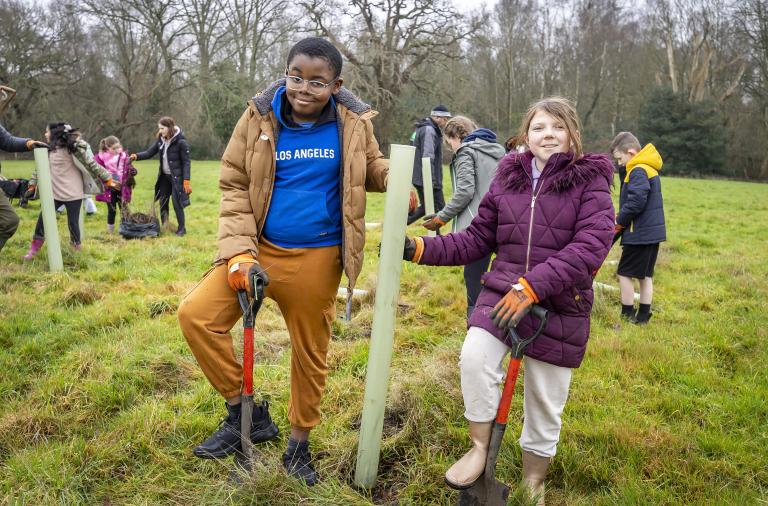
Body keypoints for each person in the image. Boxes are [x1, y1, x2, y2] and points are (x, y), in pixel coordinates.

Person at [177, 37, 399, 486]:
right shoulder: (257, 116)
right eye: (295, 77)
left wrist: (394, 177)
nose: (303, 88)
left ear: (335, 85)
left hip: (317, 256)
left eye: (317, 82)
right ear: (285, 73)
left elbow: (371, 166)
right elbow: (235, 182)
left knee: (309, 353)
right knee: (196, 316)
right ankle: (246, 412)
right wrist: (239, 253)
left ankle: (299, 445)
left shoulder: (353, 122)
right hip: (256, 251)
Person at [403, 97, 615, 504]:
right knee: (475, 358)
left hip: (561, 303)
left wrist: (533, 287)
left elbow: (591, 247)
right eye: (539, 127)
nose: (547, 134)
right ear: (526, 134)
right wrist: (419, 249)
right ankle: (480, 448)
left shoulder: (590, 180)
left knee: (545, 400)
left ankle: (533, 480)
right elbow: (478, 237)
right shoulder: (509, 175)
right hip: (502, 293)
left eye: (557, 127)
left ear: (572, 134)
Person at [422, 116, 505, 318]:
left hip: (478, 227)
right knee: (501, 274)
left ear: (456, 136)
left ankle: (477, 323)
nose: (451, 147)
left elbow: (465, 192)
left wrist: (441, 218)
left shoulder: (465, 152)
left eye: (449, 142)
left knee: (473, 276)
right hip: (503, 222)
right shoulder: (498, 151)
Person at [23, 123, 116, 260]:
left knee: (73, 223)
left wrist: (107, 179)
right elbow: (39, 169)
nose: (45, 135)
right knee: (42, 220)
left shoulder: (75, 149)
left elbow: (92, 164)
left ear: (55, 134)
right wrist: (32, 185)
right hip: (53, 193)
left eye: (47, 132)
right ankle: (34, 249)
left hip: (73, 193)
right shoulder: (47, 150)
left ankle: (76, 250)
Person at [610, 132, 666, 324]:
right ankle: (643, 317)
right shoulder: (647, 168)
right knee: (645, 276)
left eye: (619, 159)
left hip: (639, 233)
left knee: (624, 273)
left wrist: (619, 220)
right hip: (651, 233)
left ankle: (627, 315)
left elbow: (635, 202)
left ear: (631, 152)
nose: (619, 164)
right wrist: (625, 169)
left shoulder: (639, 170)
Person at [130, 116, 191, 236]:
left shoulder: (181, 142)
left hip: (177, 178)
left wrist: (186, 181)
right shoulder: (160, 140)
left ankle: (182, 229)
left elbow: (186, 162)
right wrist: (135, 156)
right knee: (163, 201)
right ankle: (165, 225)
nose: (160, 131)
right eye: (159, 128)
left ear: (170, 128)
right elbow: (148, 153)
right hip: (164, 177)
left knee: (176, 202)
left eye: (162, 128)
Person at [407, 104, 451, 225]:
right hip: (426, 178)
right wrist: (430, 180)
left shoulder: (422, 128)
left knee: (435, 208)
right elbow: (427, 156)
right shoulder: (429, 130)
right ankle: (399, 224)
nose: (446, 122)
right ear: (436, 117)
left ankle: (437, 238)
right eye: (445, 119)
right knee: (435, 208)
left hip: (420, 176)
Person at [95, 136, 137, 233]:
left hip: (123, 187)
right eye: (114, 148)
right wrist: (110, 183)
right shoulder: (101, 158)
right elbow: (99, 174)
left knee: (124, 208)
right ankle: (110, 232)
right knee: (112, 210)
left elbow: (130, 167)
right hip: (109, 188)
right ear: (107, 148)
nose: (117, 150)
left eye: (118, 147)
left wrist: (134, 171)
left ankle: (126, 229)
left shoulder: (124, 156)